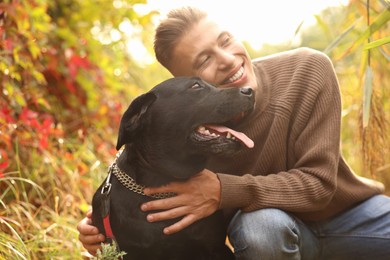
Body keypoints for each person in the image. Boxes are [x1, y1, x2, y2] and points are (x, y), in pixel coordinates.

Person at [78, 6, 390, 259]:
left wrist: (222, 190)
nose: (228, 60)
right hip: (269, 235)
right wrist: (102, 227)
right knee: (261, 228)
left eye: (225, 41)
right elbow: (137, 193)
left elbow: (320, 184)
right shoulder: (180, 142)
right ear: (186, 85)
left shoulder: (307, 70)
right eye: (205, 60)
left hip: (353, 216)